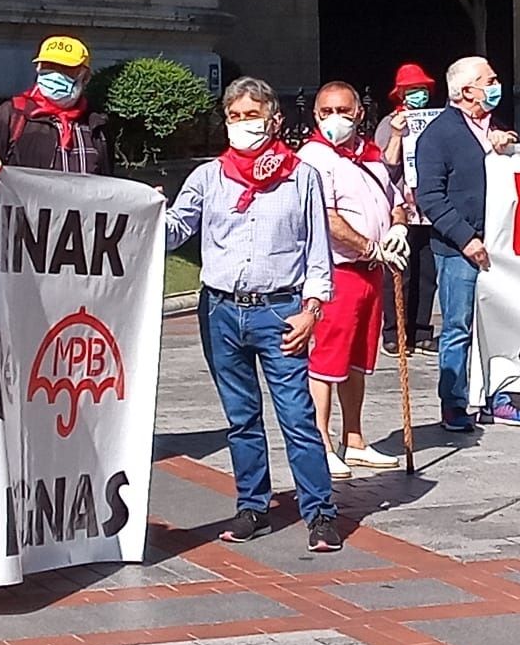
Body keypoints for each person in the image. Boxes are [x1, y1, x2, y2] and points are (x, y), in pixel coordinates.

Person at [164, 78, 342, 551]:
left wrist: (312, 310)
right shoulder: (209, 176)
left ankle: (320, 512)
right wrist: (134, 214)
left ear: (274, 119)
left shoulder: (301, 177)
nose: (243, 125)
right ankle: (252, 505)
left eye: (251, 115)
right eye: (235, 117)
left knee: (297, 417)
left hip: (280, 310)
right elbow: (177, 228)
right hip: (221, 310)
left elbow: (318, 253)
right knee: (241, 417)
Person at [415, 56, 520, 433]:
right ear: (467, 91)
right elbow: (430, 197)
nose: (498, 84)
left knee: (499, 325)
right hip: (458, 251)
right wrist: (466, 239)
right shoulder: (438, 135)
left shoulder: (492, 129)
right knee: (458, 327)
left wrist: (503, 147)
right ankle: (454, 402)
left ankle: (495, 396)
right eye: (490, 79)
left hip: (500, 246)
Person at [299, 83, 411, 479]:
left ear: (359, 113)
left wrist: (397, 227)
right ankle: (321, 443)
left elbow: (397, 198)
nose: (335, 119)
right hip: (337, 271)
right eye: (326, 111)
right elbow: (326, 218)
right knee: (327, 360)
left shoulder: (371, 154)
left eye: (343, 111)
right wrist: (369, 246)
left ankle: (355, 439)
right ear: (315, 116)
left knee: (359, 359)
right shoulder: (313, 159)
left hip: (370, 273)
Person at [375, 62, 441, 355]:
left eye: (423, 90)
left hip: (429, 209)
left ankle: (421, 330)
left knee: (427, 272)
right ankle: (394, 332)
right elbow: (386, 166)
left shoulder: (436, 123)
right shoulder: (388, 124)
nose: (419, 95)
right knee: (399, 272)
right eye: (413, 90)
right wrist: (398, 135)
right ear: (400, 94)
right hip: (401, 208)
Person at [0, 35, 112, 175]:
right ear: (38, 68)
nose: (56, 74)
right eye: (49, 67)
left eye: (66, 69)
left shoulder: (96, 123)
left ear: (86, 77)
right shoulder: (12, 115)